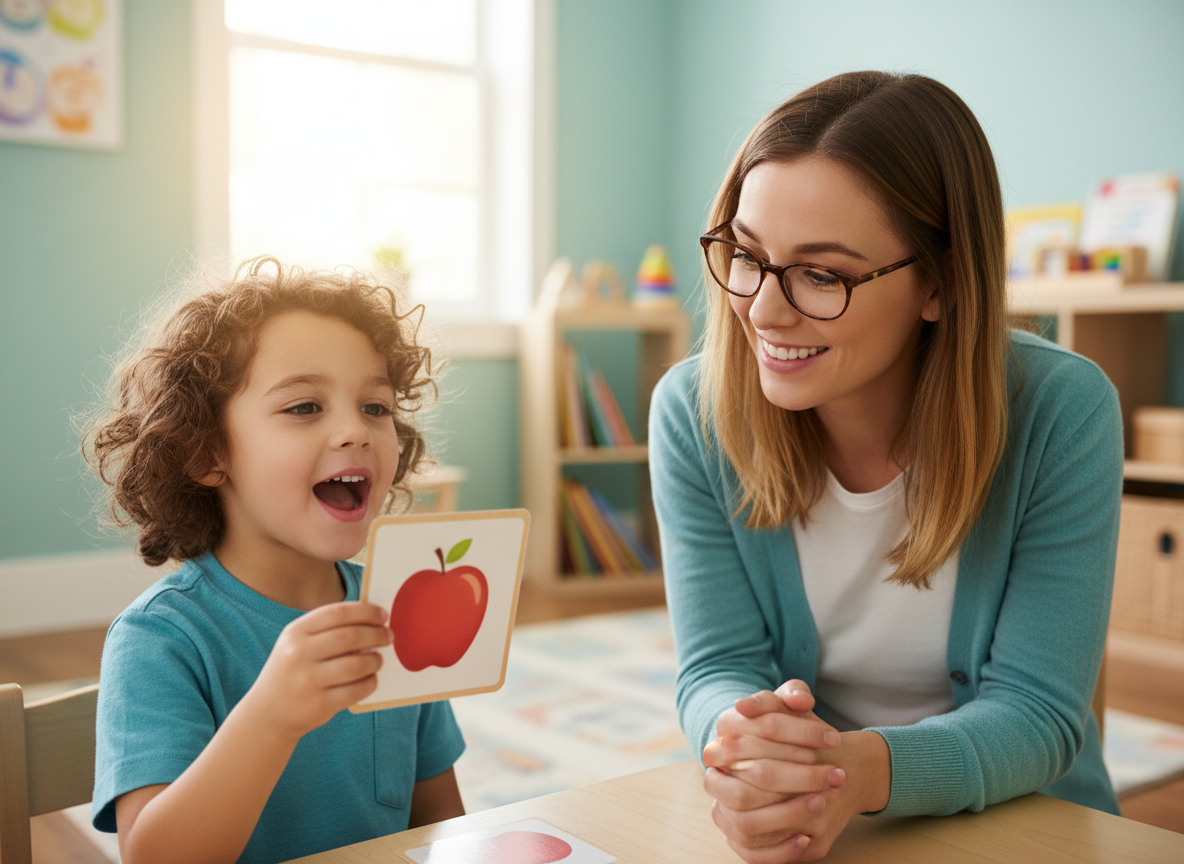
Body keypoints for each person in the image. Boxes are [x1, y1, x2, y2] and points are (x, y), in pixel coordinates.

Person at [649, 71, 1122, 863]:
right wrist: (749, 746)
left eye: (821, 274)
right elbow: (716, 668)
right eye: (747, 254)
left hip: (1023, 823)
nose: (764, 309)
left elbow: (1039, 713)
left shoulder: (1062, 412)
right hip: (826, 823)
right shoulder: (693, 414)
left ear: (938, 281)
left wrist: (856, 773)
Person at [84, 258, 465, 864]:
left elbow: (441, 826)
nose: (356, 431)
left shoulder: (397, 609)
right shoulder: (159, 640)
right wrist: (272, 717)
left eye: (376, 407)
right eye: (304, 407)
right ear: (207, 453)